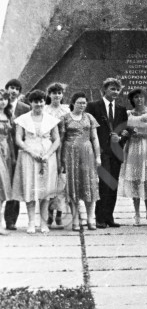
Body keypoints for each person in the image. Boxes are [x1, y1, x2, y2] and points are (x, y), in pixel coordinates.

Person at [12, 89, 60, 234]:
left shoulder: (51, 119)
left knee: (45, 190)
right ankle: (31, 222)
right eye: (35, 101)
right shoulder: (23, 119)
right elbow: (18, 139)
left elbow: (56, 139)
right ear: (30, 103)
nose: (39, 104)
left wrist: (48, 154)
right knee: (31, 188)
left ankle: (43, 223)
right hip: (28, 155)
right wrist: (31, 152)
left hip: (47, 156)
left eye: (41, 101)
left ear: (44, 102)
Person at [87, 79, 129, 228]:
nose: (115, 92)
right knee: (104, 184)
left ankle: (109, 216)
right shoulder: (93, 107)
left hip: (116, 152)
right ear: (104, 90)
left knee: (113, 185)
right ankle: (99, 217)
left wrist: (121, 137)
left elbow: (126, 129)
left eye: (118, 90)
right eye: (112, 89)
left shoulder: (121, 109)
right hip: (101, 150)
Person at [118, 89, 147, 225]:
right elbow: (123, 131)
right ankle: (136, 214)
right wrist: (127, 133)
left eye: (141, 97)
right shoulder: (128, 114)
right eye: (136, 97)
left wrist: (142, 135)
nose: (139, 100)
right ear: (132, 99)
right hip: (133, 148)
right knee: (136, 179)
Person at [60, 92, 101, 231]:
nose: (82, 105)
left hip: (87, 153)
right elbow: (61, 139)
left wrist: (98, 156)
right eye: (79, 103)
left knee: (89, 184)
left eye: (84, 103)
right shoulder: (64, 118)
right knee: (73, 186)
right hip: (70, 153)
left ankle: (90, 218)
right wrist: (61, 159)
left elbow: (94, 138)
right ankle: (76, 218)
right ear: (73, 103)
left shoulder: (89, 117)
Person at [3, 78, 30, 230]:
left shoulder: (25, 108)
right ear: (6, 89)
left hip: (17, 151)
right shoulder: (0, 105)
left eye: (17, 89)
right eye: (11, 88)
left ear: (20, 93)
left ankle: (11, 220)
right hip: (2, 151)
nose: (13, 91)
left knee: (15, 184)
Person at [45, 82, 70, 227]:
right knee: (49, 182)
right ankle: (48, 215)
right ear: (49, 94)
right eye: (54, 92)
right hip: (49, 147)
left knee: (62, 182)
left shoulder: (66, 110)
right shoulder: (46, 110)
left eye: (59, 93)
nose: (57, 95)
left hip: (64, 147)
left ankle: (59, 214)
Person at [0, 90, 14, 234]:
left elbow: (10, 138)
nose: (3, 102)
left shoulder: (8, 115)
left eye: (4, 99)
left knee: (4, 188)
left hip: (7, 153)